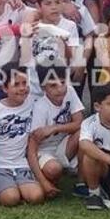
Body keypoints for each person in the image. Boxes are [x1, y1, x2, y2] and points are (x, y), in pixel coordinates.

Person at [0, 63, 44, 207]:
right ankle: (2, 189)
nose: (22, 88)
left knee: (36, 197)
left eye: (25, 83)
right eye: (16, 84)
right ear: (5, 88)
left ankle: (17, 186)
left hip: (21, 163)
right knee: (11, 199)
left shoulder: (33, 104)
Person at [27, 64, 84, 199]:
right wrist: (43, 182)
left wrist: (55, 128)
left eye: (63, 82)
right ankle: (46, 178)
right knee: (54, 169)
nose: (60, 89)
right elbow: (31, 150)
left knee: (85, 133)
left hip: (63, 145)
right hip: (44, 151)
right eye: (53, 85)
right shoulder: (40, 107)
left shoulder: (69, 91)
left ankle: (82, 183)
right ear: (43, 88)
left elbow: (80, 122)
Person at [21, 0, 79, 98]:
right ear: (39, 6)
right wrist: (27, 36)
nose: (54, 7)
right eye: (48, 3)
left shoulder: (70, 26)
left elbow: (71, 60)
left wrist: (62, 42)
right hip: (35, 88)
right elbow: (25, 57)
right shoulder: (32, 25)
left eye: (57, 2)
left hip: (60, 87)